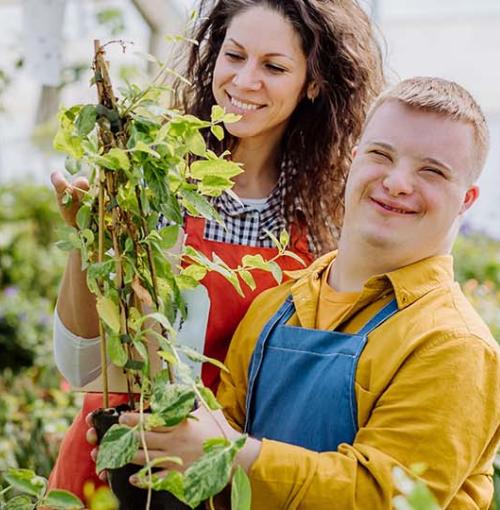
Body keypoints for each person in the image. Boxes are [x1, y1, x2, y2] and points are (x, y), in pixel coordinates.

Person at [103, 77, 500, 509]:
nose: (398, 181)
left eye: (432, 171)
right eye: (380, 155)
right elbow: (216, 473)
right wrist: (156, 448)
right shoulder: (275, 307)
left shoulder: (453, 346)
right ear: (353, 161)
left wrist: (228, 454)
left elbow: (383, 497)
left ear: (467, 199)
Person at [48, 0, 384, 500]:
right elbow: (79, 367)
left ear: (312, 83)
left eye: (274, 66)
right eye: (235, 56)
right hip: (114, 461)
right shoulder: (151, 179)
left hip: (221, 476)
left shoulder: (323, 225)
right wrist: (86, 237)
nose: (245, 81)